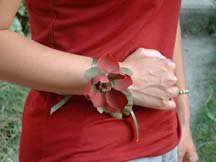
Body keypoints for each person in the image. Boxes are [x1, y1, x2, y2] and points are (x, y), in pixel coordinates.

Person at [0, 0, 198, 161]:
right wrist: (119, 76)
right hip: (85, 145)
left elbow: (160, 12)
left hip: (166, 140)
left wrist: (182, 117)